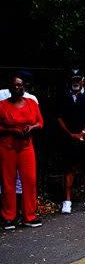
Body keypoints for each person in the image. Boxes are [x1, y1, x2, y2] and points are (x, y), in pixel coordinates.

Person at [0, 73, 44, 229]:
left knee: (30, 181)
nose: (17, 87)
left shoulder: (32, 103)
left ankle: (29, 216)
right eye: (14, 85)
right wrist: (11, 130)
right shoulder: (2, 105)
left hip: (26, 147)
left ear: (24, 87)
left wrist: (32, 128)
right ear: (10, 88)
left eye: (19, 85)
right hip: (7, 148)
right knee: (8, 182)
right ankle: (9, 217)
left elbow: (40, 122)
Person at [56, 70, 85, 214]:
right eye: (73, 79)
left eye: (78, 79)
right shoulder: (64, 95)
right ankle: (67, 201)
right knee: (69, 168)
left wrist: (83, 132)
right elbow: (59, 117)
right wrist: (69, 133)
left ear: (83, 80)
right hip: (68, 138)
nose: (76, 82)